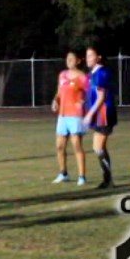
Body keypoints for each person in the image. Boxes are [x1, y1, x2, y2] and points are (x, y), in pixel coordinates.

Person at [51, 51, 88, 186]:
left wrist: (83, 102)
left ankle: (82, 176)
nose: (69, 60)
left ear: (78, 61)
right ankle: (63, 173)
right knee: (59, 146)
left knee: (76, 145)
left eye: (72, 58)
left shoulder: (82, 76)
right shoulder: (62, 75)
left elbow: (90, 92)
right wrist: (55, 100)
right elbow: (59, 92)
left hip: (75, 116)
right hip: (62, 115)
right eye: (67, 58)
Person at [83, 46, 117, 189]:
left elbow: (101, 97)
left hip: (104, 114)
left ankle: (108, 180)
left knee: (98, 147)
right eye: (87, 55)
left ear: (99, 57)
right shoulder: (91, 74)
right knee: (99, 147)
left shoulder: (102, 73)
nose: (88, 58)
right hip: (98, 115)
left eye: (91, 55)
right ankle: (108, 180)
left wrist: (90, 114)